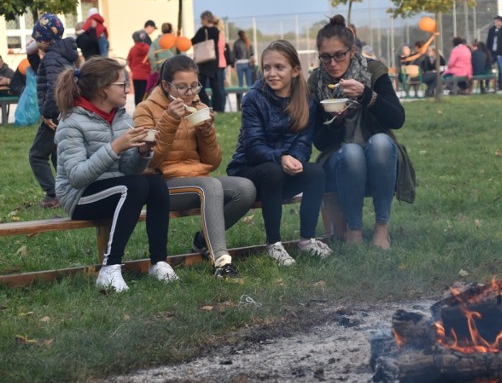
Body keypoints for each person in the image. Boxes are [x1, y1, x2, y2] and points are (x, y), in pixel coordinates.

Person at [54, 57, 178, 292]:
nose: (128, 89)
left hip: (115, 187)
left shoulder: (121, 117)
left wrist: (142, 153)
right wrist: (115, 147)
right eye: (122, 84)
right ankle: (110, 268)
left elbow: (126, 172)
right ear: (103, 89)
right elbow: (77, 177)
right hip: (79, 196)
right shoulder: (71, 123)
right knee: (134, 187)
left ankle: (159, 262)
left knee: (155, 182)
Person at [134, 55, 256, 278]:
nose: (189, 93)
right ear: (165, 85)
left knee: (245, 188)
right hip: (163, 186)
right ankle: (221, 262)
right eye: (182, 87)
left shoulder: (198, 106)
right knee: (208, 186)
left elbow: (212, 162)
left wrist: (206, 131)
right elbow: (149, 162)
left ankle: (201, 241)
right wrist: (170, 120)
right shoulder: (146, 109)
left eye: (194, 86)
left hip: (198, 180)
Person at [310, 14, 414, 249]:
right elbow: (318, 142)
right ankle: (353, 229)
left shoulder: (373, 71)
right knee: (352, 153)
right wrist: (334, 122)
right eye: (325, 57)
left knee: (379, 142)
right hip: (338, 158)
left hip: (380, 156)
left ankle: (381, 227)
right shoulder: (316, 81)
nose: (333, 63)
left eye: (339, 55)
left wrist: (367, 95)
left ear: (352, 52)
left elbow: (397, 119)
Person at [227, 40, 332, 266]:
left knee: (316, 173)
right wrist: (282, 157)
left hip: (281, 171)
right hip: (249, 171)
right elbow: (253, 146)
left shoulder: (306, 101)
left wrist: (294, 160)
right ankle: (274, 244)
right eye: (267, 68)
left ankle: (307, 240)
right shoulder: (253, 99)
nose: (271, 73)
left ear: (295, 71)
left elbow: (304, 143)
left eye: (279, 67)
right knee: (273, 171)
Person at [29, 13, 79, 209]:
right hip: (64, 112)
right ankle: (69, 190)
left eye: (37, 38)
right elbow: (43, 71)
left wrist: (48, 114)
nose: (34, 41)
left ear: (46, 40)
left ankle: (54, 194)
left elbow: (53, 88)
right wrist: (32, 55)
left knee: (37, 155)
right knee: (59, 154)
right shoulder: (61, 54)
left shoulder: (51, 57)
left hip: (55, 115)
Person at [191, 11, 222, 109]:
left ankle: (206, 105)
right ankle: (218, 108)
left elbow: (193, 41)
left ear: (206, 19)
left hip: (203, 63)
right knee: (216, 87)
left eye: (202, 20)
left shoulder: (202, 30)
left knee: (200, 86)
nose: (201, 22)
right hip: (214, 62)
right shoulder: (216, 31)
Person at [147, 22, 177, 94]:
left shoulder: (156, 41)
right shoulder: (175, 39)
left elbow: (151, 55)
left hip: (162, 68)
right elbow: (182, 53)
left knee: (162, 89)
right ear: (171, 30)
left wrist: (154, 67)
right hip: (175, 67)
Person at [127, 30, 151, 105]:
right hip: (146, 75)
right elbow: (152, 60)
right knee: (146, 95)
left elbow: (129, 60)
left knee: (137, 95)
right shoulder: (148, 48)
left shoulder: (132, 49)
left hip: (136, 75)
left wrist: (133, 69)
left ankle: (138, 110)